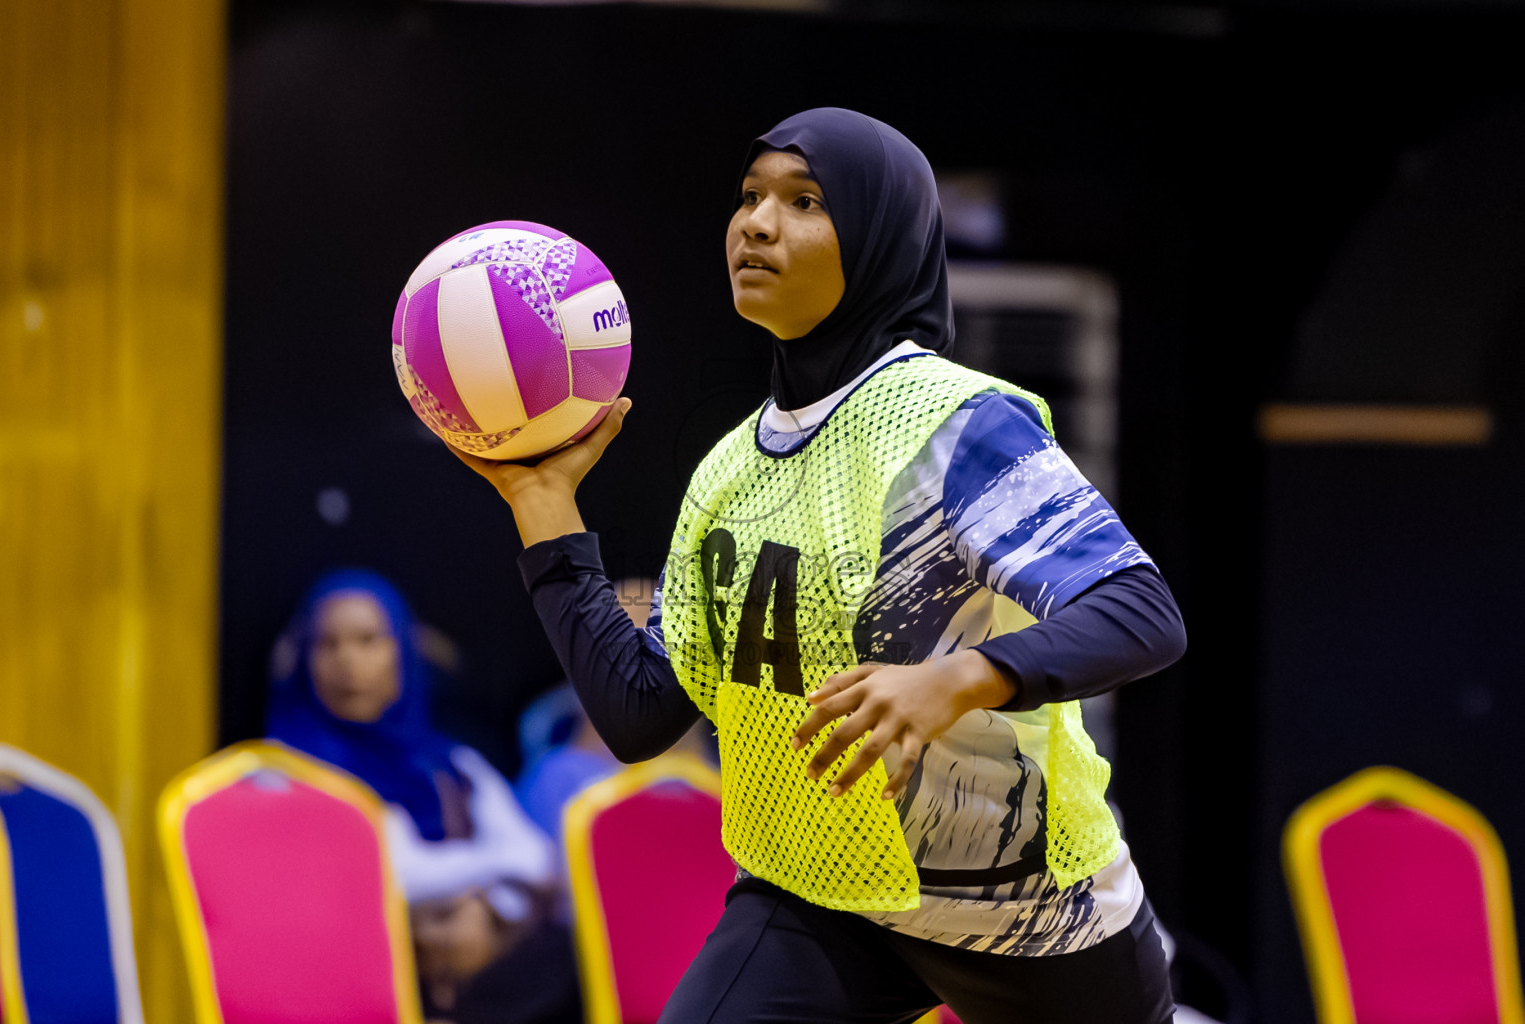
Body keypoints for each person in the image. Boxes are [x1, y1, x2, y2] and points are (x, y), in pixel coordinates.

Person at [449, 108, 1186, 1024]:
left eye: (804, 202)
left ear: (880, 240)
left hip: (1025, 908)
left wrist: (959, 680)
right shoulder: (728, 469)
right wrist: (541, 507)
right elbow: (642, 714)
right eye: (749, 197)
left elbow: (1142, 610)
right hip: (821, 890)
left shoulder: (956, 424)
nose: (757, 223)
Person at [265, 568, 577, 1023]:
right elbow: (387, 875)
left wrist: (484, 911)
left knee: (574, 952)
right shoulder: (281, 772)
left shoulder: (451, 764)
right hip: (346, 970)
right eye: (327, 644)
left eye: (369, 640)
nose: (348, 662)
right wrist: (472, 885)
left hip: (470, 957)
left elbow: (535, 858)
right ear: (303, 660)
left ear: (404, 654)